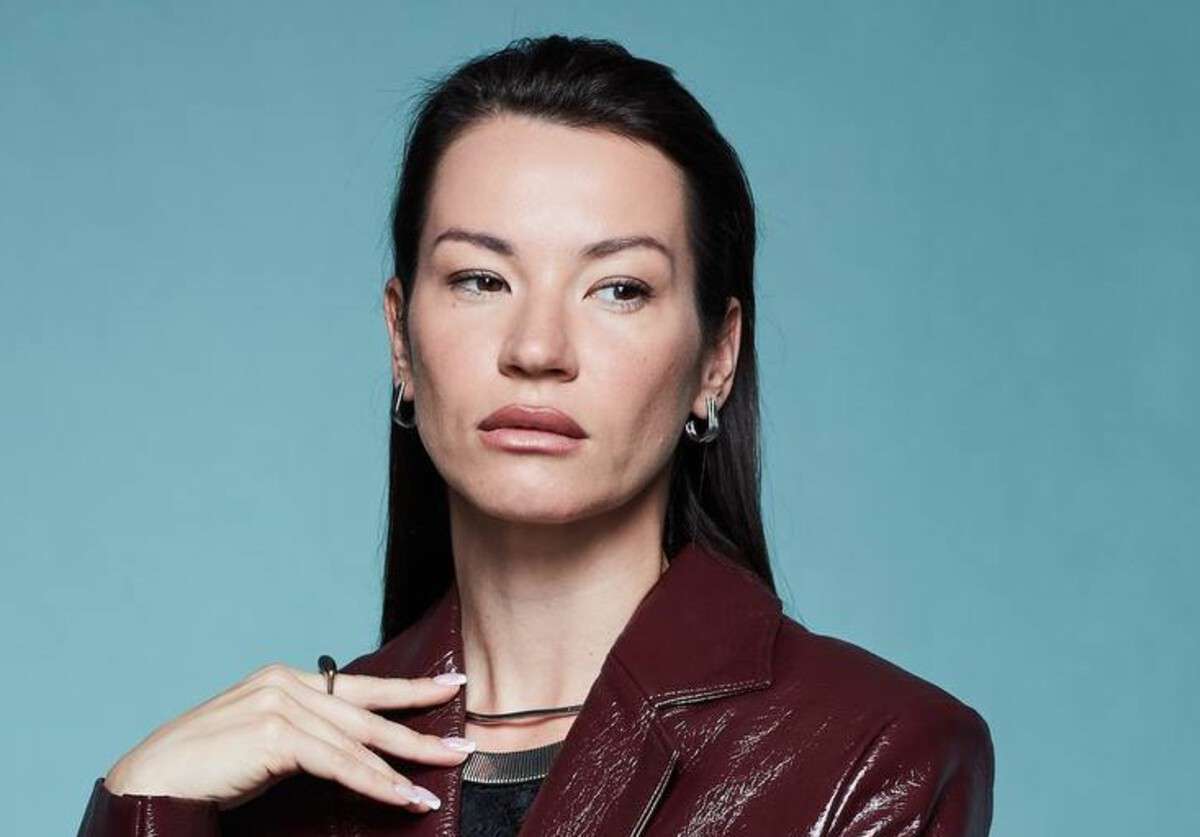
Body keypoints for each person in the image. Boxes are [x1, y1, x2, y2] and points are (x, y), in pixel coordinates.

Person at [77, 34, 994, 837]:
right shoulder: (278, 783)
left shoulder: (869, 756)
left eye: (618, 289)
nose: (537, 349)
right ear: (400, 338)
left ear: (715, 359)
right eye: (480, 280)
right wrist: (146, 805)